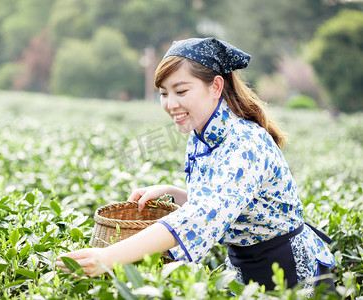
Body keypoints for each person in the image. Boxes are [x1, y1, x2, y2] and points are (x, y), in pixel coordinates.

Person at [56, 37, 335, 290]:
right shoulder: (200, 133)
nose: (170, 104)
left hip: (288, 273)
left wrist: (108, 257)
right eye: (164, 93)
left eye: (181, 91)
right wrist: (174, 192)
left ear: (215, 87)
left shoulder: (245, 143)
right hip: (243, 267)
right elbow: (230, 202)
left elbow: (202, 215)